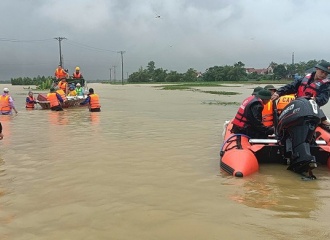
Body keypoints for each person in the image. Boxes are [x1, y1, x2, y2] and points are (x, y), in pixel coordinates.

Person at [271, 61, 330, 130]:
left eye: (326, 74)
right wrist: (278, 92)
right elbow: (291, 87)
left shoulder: (326, 85)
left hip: (312, 110)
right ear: (317, 69)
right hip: (298, 107)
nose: (323, 75)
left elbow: (324, 98)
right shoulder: (303, 79)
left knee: (327, 123)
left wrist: (316, 99)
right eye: (322, 72)